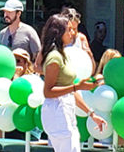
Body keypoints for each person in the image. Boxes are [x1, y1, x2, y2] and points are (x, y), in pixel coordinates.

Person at [40, 14, 105, 152]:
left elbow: (69, 89)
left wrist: (91, 113)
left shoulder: (62, 54)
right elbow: (48, 92)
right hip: (57, 111)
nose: (72, 33)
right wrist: (77, 86)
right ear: (59, 33)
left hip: (65, 109)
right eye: (68, 30)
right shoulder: (54, 58)